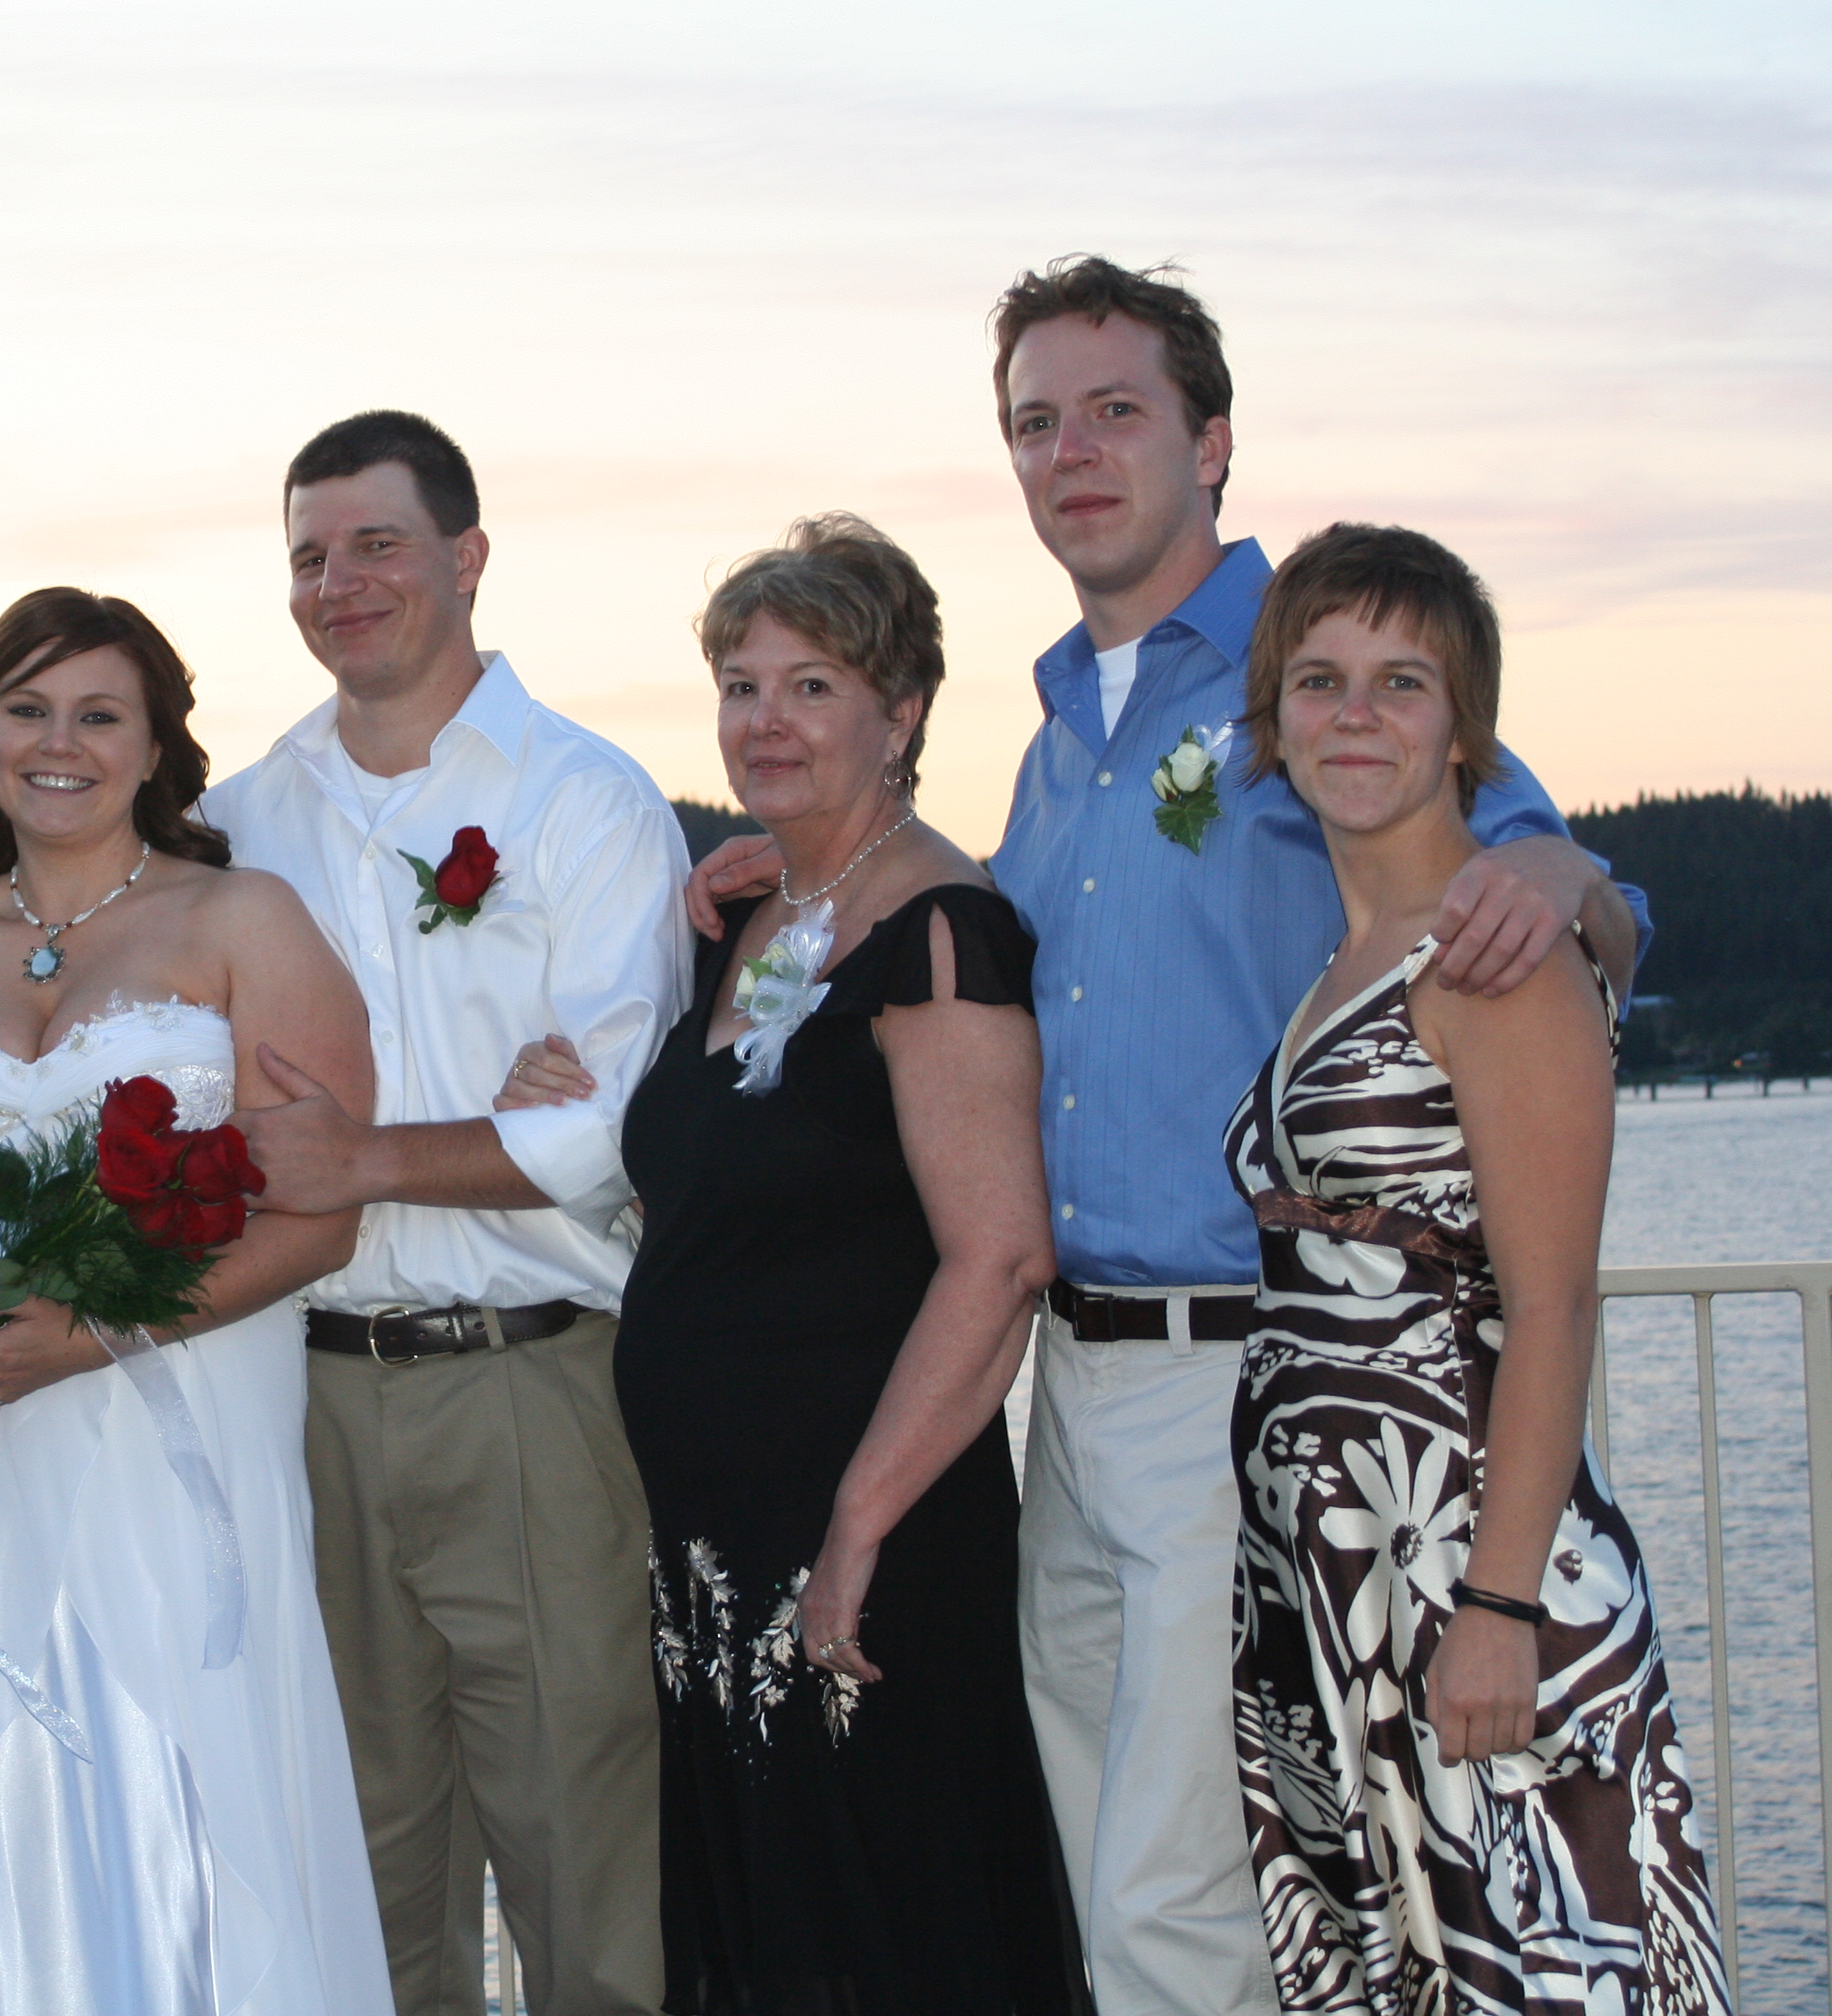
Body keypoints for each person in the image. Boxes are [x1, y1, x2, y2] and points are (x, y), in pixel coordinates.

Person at [688, 258, 1647, 2013]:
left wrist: (1571, 873)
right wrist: (809, 860)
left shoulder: (1312, 679)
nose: (1074, 453)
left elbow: (1547, 894)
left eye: (1116, 411)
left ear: (1212, 441)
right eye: (1036, 423)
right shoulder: (1060, 738)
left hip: (1258, 1383)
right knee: (1113, 1881)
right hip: (1075, 1390)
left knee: (1171, 1904)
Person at [504, 515, 1080, 2010]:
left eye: (813, 685)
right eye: (742, 684)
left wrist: (859, 1532)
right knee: (758, 1923)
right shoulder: (753, 916)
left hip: (862, 1533)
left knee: (880, 1919)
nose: (767, 720)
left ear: (901, 715)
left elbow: (1002, 1258)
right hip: (710, 1547)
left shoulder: (942, 932)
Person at [0, 586, 390, 2013]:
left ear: (153, 747)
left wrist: (90, 1336)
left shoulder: (244, 918)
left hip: (174, 1432)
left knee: (194, 1799)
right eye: (26, 709)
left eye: (97, 715)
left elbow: (320, 1219)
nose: (57, 743)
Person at [205, 410, 691, 2016]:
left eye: (377, 545)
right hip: (301, 1399)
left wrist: (362, 1157)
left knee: (582, 1853)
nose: (340, 584)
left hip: (533, 1388)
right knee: (361, 1862)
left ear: (469, 557)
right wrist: (492, 1118)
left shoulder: (584, 801)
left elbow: (604, 1130)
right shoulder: (241, 819)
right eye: (309, 557)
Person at [1223, 524, 1727, 2013]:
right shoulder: (1351, 955)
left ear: (1465, 732)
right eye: (1318, 680)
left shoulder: (1496, 954)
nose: (1355, 714)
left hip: (1463, 1573)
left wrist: (1501, 1608)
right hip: (1343, 1581)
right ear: (1273, 722)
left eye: (1401, 681)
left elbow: (1550, 1297)